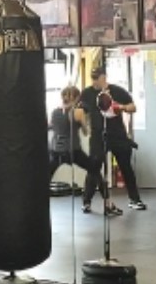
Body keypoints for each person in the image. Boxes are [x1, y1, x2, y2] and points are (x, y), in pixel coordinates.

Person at [80, 66, 144, 210]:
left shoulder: (117, 91)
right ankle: (87, 202)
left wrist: (119, 107)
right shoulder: (87, 93)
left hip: (118, 134)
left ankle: (135, 199)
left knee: (126, 167)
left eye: (97, 78)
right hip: (97, 135)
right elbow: (80, 111)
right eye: (93, 78)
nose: (95, 81)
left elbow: (133, 107)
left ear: (104, 77)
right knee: (94, 168)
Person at [49, 86, 114, 215]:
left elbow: (51, 126)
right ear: (77, 97)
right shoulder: (78, 112)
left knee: (45, 176)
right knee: (95, 170)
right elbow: (85, 132)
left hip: (56, 150)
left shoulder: (54, 111)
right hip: (73, 150)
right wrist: (83, 120)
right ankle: (107, 202)